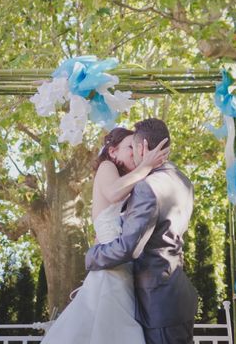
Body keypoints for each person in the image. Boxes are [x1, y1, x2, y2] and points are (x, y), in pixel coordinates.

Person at [40, 126, 170, 344]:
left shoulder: (133, 181)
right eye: (130, 147)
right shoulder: (107, 167)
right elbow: (112, 192)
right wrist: (147, 166)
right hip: (111, 266)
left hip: (123, 265)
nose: (135, 152)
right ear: (112, 151)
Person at [86, 118, 198, 344]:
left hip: (157, 300)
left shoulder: (148, 186)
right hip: (172, 293)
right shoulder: (183, 181)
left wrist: (92, 255)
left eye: (131, 147)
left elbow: (129, 247)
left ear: (141, 148)